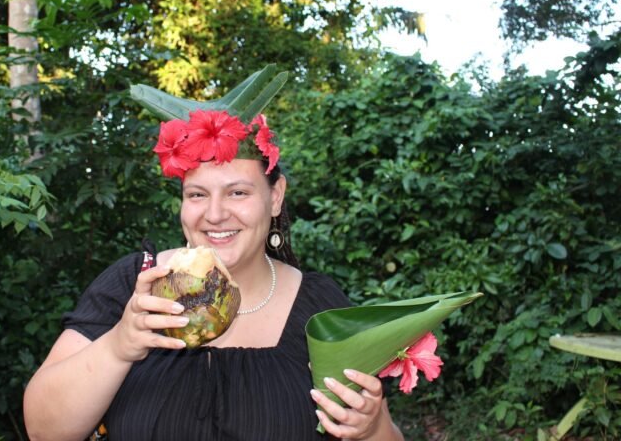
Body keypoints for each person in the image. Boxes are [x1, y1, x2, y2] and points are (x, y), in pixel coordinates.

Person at [23, 98, 404, 441]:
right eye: (197, 195)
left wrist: (370, 429)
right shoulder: (135, 285)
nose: (216, 214)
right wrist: (120, 345)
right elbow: (43, 430)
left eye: (238, 193)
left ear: (275, 197)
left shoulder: (321, 309)